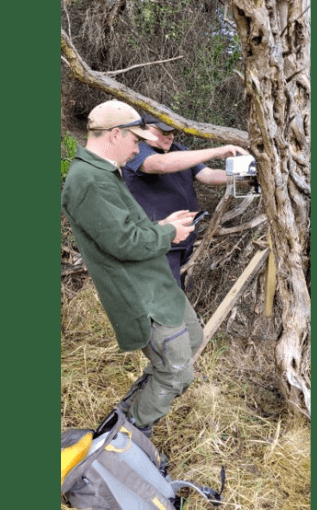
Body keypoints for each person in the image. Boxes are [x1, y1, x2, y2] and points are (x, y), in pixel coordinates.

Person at [60, 100, 204, 437]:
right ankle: (125, 439)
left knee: (192, 340)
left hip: (157, 285)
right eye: (135, 139)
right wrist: (169, 233)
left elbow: (124, 228)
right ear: (114, 134)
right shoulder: (88, 181)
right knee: (176, 373)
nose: (138, 147)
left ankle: (124, 418)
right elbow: (124, 243)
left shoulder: (103, 172)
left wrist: (164, 224)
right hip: (140, 295)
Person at [122, 114, 250, 288]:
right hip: (157, 243)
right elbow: (161, 164)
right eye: (165, 131)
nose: (171, 136)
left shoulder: (178, 150)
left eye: (173, 131)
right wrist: (216, 151)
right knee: (165, 303)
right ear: (148, 129)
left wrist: (247, 177)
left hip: (184, 243)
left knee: (181, 298)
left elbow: (209, 175)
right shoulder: (137, 151)